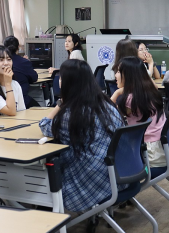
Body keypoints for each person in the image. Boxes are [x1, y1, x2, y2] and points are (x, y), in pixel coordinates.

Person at [39, 59, 125, 212]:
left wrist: (60, 103)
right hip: (119, 174)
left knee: (43, 169)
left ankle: (49, 226)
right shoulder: (106, 105)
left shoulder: (73, 114)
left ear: (68, 83)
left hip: (92, 181)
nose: (58, 81)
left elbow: (45, 125)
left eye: (60, 77)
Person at [110, 56, 167, 168]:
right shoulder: (150, 92)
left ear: (128, 75)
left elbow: (106, 113)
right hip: (162, 150)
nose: (115, 75)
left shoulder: (130, 99)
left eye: (118, 72)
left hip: (147, 155)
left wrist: (116, 93)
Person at [3, 35, 39, 108]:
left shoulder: (1, 63)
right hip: (21, 100)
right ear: (18, 47)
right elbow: (34, 77)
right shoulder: (24, 62)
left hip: (3, 100)